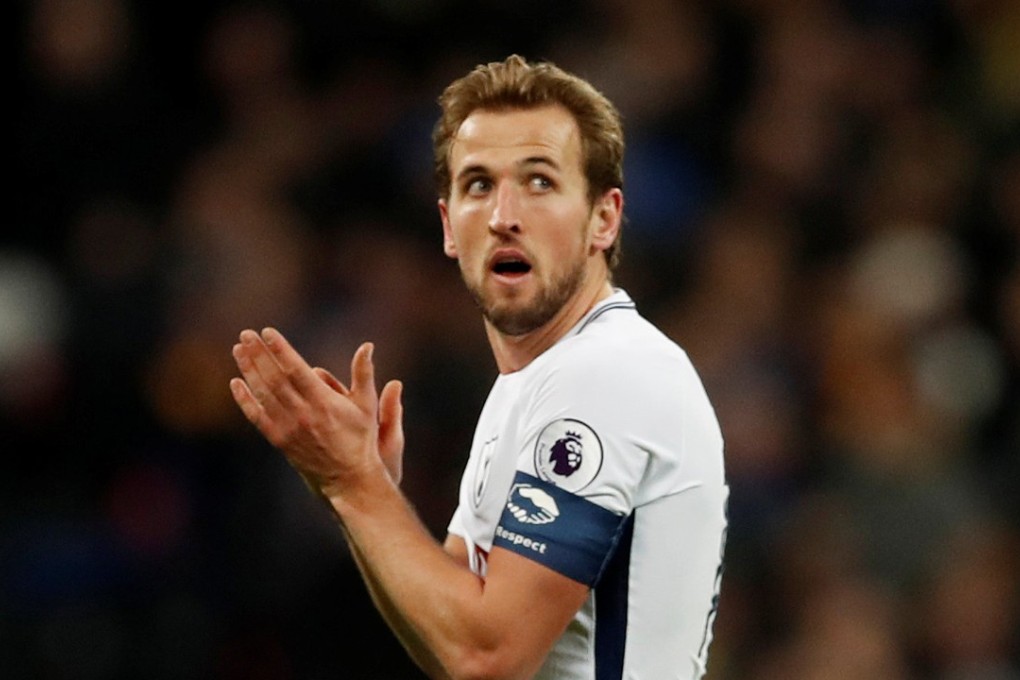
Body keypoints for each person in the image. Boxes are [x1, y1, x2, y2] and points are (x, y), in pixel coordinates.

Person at [229, 54, 728, 680]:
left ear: (604, 218)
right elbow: (449, 644)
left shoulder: (608, 375)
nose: (503, 216)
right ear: (447, 225)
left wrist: (357, 484)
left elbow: (488, 656)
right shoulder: (529, 389)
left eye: (539, 182)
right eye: (479, 185)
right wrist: (355, 492)